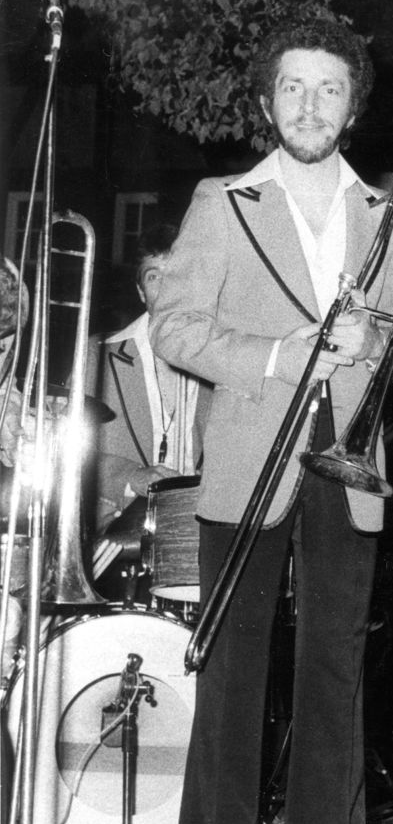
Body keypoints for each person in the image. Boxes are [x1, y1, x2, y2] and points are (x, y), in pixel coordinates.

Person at [150, 18, 393, 824]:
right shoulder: (223, 201)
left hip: (349, 465)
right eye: (294, 88)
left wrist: (374, 338)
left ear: (354, 108)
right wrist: (280, 353)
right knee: (233, 674)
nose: (310, 106)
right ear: (269, 102)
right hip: (248, 461)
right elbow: (175, 328)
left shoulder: (389, 213)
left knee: (336, 673)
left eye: (329, 89)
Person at [89, 223, 210, 593]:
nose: (167, 287)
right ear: (141, 291)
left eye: (178, 274)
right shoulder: (98, 356)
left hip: (204, 539)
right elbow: (75, 457)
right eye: (154, 276)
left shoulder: (225, 362)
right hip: (119, 540)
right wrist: (134, 477)